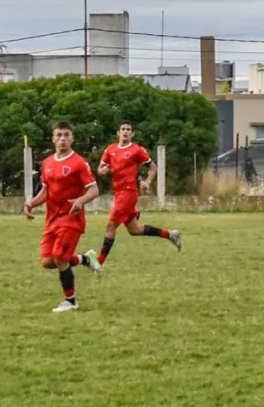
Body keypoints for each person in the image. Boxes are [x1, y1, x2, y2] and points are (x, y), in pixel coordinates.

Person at [23, 122, 102, 312]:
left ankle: (71, 301)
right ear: (53, 139)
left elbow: (94, 190)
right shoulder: (47, 163)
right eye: (59, 135)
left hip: (71, 219)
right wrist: (31, 203)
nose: (63, 139)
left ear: (72, 139)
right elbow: (46, 191)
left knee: (59, 257)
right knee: (47, 262)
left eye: (66, 135)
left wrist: (80, 201)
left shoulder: (79, 163)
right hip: (52, 219)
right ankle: (85, 259)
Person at [95, 121, 182, 267]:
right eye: (123, 129)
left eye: (129, 129)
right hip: (118, 193)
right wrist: (103, 170)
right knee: (135, 230)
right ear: (118, 132)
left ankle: (98, 263)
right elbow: (100, 168)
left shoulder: (137, 150)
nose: (125, 132)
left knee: (110, 226)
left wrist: (147, 181)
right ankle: (170, 234)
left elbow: (153, 167)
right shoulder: (110, 149)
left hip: (129, 192)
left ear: (132, 133)